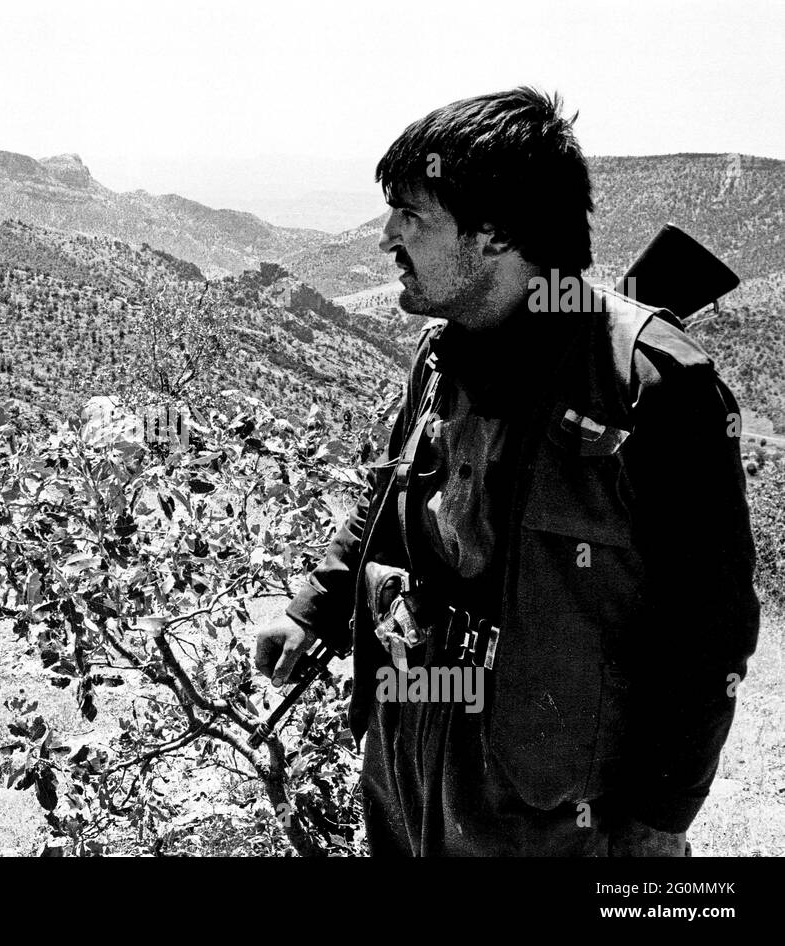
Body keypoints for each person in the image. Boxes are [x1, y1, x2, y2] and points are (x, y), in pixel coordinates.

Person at [254, 88, 759, 856]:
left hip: (550, 803)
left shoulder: (655, 385)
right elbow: (387, 493)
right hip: (411, 757)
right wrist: (314, 609)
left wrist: (660, 820)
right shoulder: (440, 352)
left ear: (492, 235)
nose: (386, 236)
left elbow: (710, 627)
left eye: (411, 216)